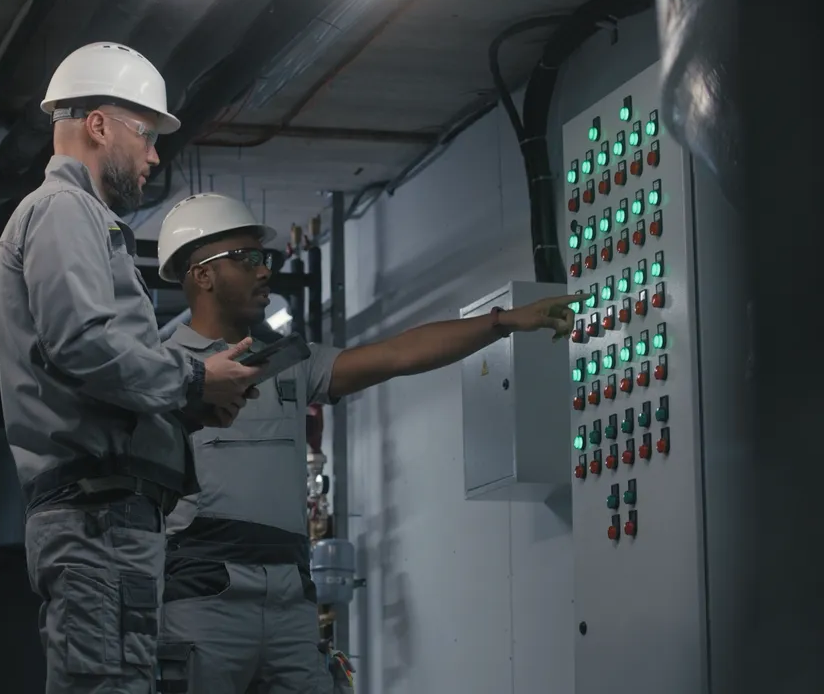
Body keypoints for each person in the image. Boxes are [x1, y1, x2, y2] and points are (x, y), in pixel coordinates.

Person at [152, 193, 579, 694]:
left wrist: (503, 322)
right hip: (203, 597)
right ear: (202, 275)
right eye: (248, 259)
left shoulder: (288, 361)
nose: (265, 271)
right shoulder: (162, 372)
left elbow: (397, 354)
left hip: (290, 598)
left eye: (264, 259)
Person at [0, 45, 264, 693]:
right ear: (99, 124)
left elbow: (96, 360)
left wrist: (189, 400)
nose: (153, 156)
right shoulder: (64, 212)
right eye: (146, 135)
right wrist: (194, 380)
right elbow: (84, 345)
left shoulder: (82, 219)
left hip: (111, 522)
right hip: (98, 523)